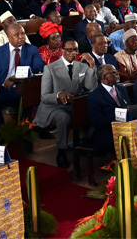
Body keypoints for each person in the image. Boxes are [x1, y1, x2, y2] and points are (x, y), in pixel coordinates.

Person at [34, 39, 97, 168]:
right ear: (62, 51)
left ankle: (87, 142)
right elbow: (44, 96)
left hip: (73, 105)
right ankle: (61, 150)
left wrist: (91, 66)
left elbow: (91, 87)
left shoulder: (82, 66)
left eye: (75, 50)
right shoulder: (50, 68)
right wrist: (58, 95)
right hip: (53, 107)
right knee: (63, 117)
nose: (72, 53)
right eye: (69, 50)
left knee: (94, 111)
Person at [0, 24, 45, 133]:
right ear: (8, 37)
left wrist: (17, 76)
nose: (21, 37)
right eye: (16, 35)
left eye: (23, 33)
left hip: (26, 88)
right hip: (5, 89)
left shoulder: (32, 49)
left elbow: (38, 67)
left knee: (36, 97)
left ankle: (32, 130)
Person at [88, 64, 133, 153]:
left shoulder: (121, 88)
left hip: (126, 127)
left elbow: (129, 105)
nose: (118, 73)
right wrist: (121, 113)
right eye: (114, 72)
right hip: (108, 132)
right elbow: (98, 121)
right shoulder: (94, 96)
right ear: (105, 77)